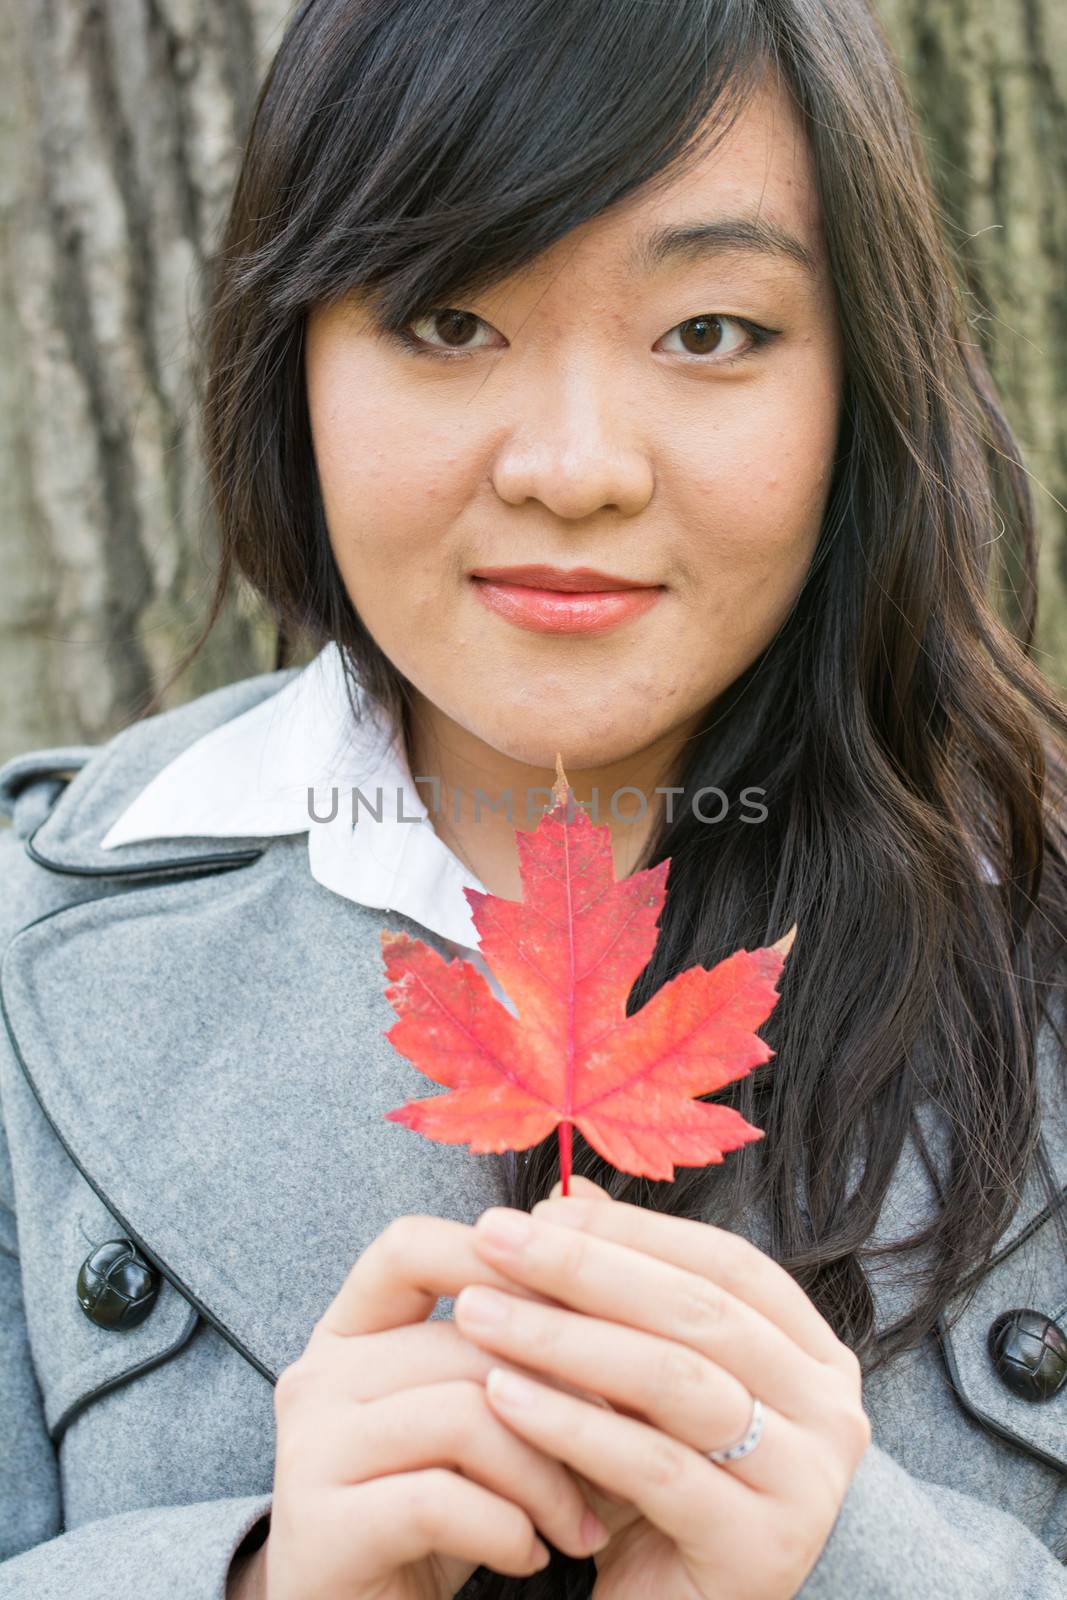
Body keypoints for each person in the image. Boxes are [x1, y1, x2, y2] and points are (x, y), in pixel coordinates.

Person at [1, 0, 1065, 1596]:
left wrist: (873, 1571)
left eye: (708, 332)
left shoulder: (1032, 926)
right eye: (447, 319)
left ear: (864, 378)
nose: (574, 467)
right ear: (289, 357)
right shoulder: (37, 946)